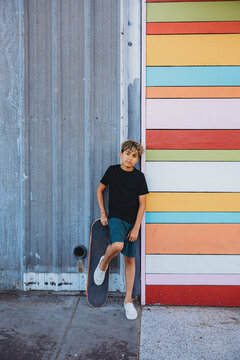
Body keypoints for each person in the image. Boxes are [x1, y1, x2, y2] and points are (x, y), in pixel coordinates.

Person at [94, 140, 149, 320]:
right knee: (117, 245)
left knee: (130, 261)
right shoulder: (112, 171)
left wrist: (136, 228)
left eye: (134, 156)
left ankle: (127, 301)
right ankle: (103, 263)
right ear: (121, 154)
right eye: (127, 154)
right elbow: (99, 190)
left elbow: (142, 205)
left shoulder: (139, 177)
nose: (130, 158)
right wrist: (103, 214)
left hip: (132, 223)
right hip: (115, 219)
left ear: (137, 159)